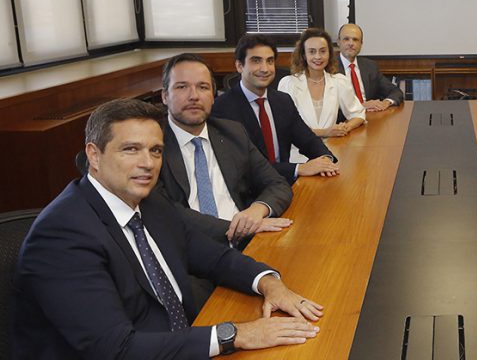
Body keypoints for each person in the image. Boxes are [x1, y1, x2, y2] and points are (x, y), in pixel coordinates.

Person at [13, 98, 324, 358]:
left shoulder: (151, 203)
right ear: (94, 155)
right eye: (131, 149)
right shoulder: (61, 236)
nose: (148, 163)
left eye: (156, 150)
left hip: (175, 343)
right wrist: (234, 334)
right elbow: (116, 349)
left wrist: (269, 282)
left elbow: (215, 258)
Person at [158, 53, 292, 247]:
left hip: (252, 242)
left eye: (203, 87)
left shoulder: (232, 132)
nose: (194, 96)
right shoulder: (152, 145)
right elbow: (167, 213)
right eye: (182, 87)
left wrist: (258, 210)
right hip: (193, 251)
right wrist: (239, 228)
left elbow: (277, 183)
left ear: (213, 96)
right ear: (164, 96)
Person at [212, 34, 339, 184]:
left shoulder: (282, 101)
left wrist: (325, 159)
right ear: (239, 66)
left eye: (270, 61)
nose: (265, 69)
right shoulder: (222, 109)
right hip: (249, 193)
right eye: (256, 61)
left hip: (286, 184)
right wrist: (298, 169)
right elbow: (242, 166)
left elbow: (308, 140)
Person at [278, 28, 365, 162]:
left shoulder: (338, 81)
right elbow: (285, 129)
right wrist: (325, 132)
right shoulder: (289, 84)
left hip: (332, 152)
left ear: (329, 54)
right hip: (299, 156)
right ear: (303, 55)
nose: (318, 57)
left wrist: (343, 128)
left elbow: (358, 114)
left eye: (323, 51)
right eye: (312, 52)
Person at [336, 23, 404, 111]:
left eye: (355, 40)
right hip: (345, 122)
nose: (351, 43)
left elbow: (395, 91)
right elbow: (330, 110)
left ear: (361, 44)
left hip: (371, 118)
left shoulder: (370, 66)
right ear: (338, 42)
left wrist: (385, 103)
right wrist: (361, 106)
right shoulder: (329, 69)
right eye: (346, 39)